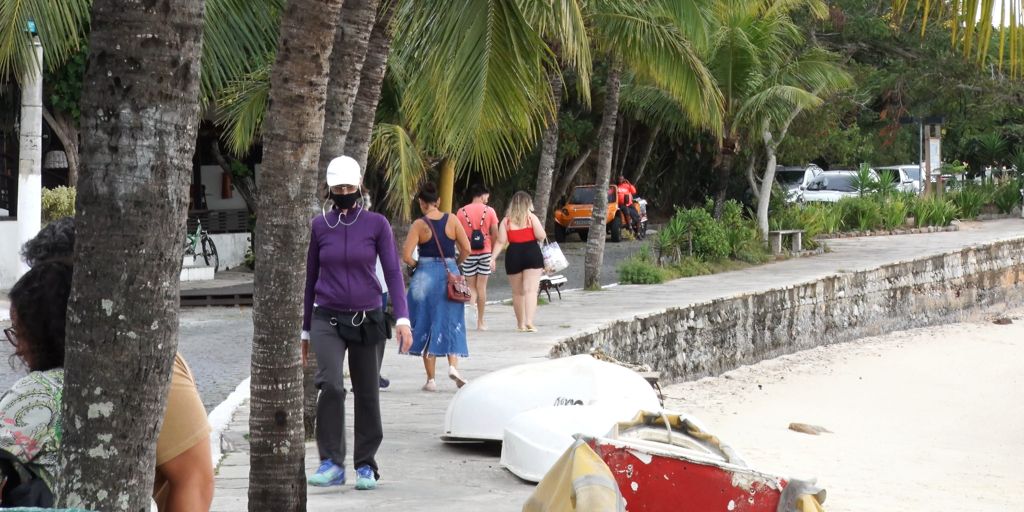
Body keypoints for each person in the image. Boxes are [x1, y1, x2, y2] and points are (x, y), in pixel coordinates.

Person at [16, 218, 214, 512]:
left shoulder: (151, 365)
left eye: (58, 278)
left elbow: (194, 482)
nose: (46, 290)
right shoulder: (49, 354)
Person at [303, 156, 413, 490]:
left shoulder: (377, 224)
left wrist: (403, 318)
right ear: (329, 190)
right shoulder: (320, 226)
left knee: (367, 392)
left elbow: (393, 271)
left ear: (359, 187)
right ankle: (331, 463)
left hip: (368, 317)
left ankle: (365, 465)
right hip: (328, 317)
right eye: (338, 189)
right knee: (331, 385)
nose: (345, 193)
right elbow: (310, 280)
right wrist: (305, 330)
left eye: (350, 187)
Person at [1, 261, 72, 507]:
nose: (18, 349)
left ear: (41, 333)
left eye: (18, 331)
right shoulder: (108, 383)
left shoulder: (37, 391)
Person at [402, 182, 472, 392]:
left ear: (421, 203)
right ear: (438, 201)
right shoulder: (451, 219)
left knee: (426, 321)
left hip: (424, 276)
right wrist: (455, 264)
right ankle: (452, 366)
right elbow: (466, 248)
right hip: (449, 272)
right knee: (451, 321)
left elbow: (406, 256)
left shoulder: (418, 225)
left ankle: (431, 380)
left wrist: (417, 266)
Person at [490, 191, 546, 332]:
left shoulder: (506, 221)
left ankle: (520, 324)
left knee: (517, 293)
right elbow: (541, 236)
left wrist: (492, 258)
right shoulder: (531, 218)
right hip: (532, 253)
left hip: (513, 254)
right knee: (531, 291)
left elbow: (501, 241)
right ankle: (529, 322)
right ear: (528, 204)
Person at [456, 184, 499, 330]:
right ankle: (480, 322)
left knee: (471, 287)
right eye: (487, 196)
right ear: (482, 196)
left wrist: (461, 251)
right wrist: (492, 255)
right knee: (482, 287)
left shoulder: (461, 212)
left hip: (468, 253)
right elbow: (495, 235)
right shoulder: (490, 211)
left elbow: (457, 235)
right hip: (485, 252)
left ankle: (471, 308)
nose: (487, 199)